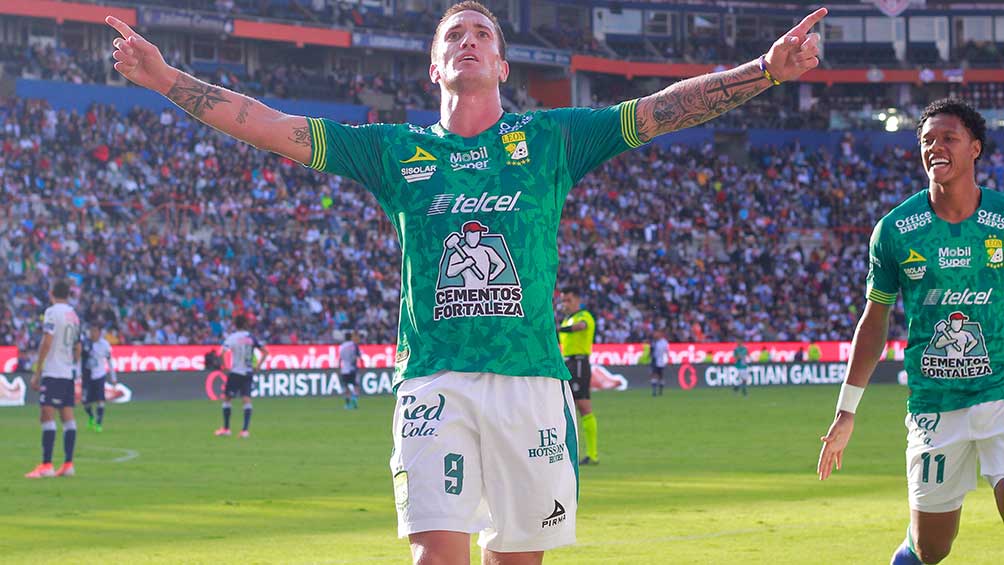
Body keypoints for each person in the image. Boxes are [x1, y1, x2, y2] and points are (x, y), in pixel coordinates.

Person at [106, 2, 824, 561]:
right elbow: (271, 125)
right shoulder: (395, 150)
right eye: (454, 38)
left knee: (516, 557)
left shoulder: (553, 139)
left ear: (504, 66)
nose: (469, 42)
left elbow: (660, 110)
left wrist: (764, 69)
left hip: (532, 383)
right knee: (435, 553)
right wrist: (165, 78)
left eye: (481, 34)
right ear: (435, 70)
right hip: (432, 382)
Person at [817, 99, 1004, 565]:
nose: (935, 147)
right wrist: (846, 411)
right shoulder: (896, 230)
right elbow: (874, 320)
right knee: (930, 548)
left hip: (1001, 394)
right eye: (927, 140)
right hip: (935, 406)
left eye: (948, 138)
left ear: (976, 148)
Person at [25, 280, 81, 478]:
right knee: (67, 417)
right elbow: (78, 347)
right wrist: (74, 367)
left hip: (53, 371)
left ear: (52, 294)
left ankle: (47, 465)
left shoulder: (51, 312)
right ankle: (68, 464)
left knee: (46, 415)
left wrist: (38, 371)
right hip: (67, 372)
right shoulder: (74, 315)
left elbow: (47, 341)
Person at [558, 288, 598, 465]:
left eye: (568, 300)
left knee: (582, 406)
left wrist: (560, 328)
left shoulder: (584, 315)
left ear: (577, 300)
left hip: (579, 363)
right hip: (568, 363)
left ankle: (592, 454)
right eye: (563, 301)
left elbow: (582, 326)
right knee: (567, 408)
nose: (564, 304)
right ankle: (569, 453)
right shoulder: (566, 319)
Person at [216, 315, 269, 438]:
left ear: (235, 325)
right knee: (246, 399)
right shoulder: (251, 337)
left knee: (227, 399)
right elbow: (265, 352)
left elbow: (223, 352)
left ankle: (226, 429)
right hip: (248, 372)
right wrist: (258, 366)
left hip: (236, 372)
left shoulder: (232, 338)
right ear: (246, 324)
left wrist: (224, 366)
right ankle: (245, 431)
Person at [81, 325, 118, 432]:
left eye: (95, 331)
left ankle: (99, 423)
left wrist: (113, 378)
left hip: (99, 376)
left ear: (99, 332)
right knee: (85, 402)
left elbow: (109, 361)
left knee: (100, 400)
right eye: (91, 331)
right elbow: (79, 358)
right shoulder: (85, 343)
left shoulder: (104, 345)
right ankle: (91, 417)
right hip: (87, 376)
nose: (93, 333)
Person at [339, 331, 360, 409]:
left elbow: (340, 359)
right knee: (356, 385)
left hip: (344, 369)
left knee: (346, 387)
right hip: (352, 369)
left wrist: (338, 368)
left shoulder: (341, 346)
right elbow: (358, 356)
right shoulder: (354, 345)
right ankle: (354, 398)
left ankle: (347, 404)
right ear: (351, 337)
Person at [650, 330, 669, 397]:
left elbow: (667, 352)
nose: (656, 335)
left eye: (657, 334)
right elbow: (651, 351)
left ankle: (660, 391)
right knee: (654, 375)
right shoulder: (654, 342)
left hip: (661, 361)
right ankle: (654, 391)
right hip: (654, 360)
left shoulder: (664, 342)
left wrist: (667, 359)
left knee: (661, 376)